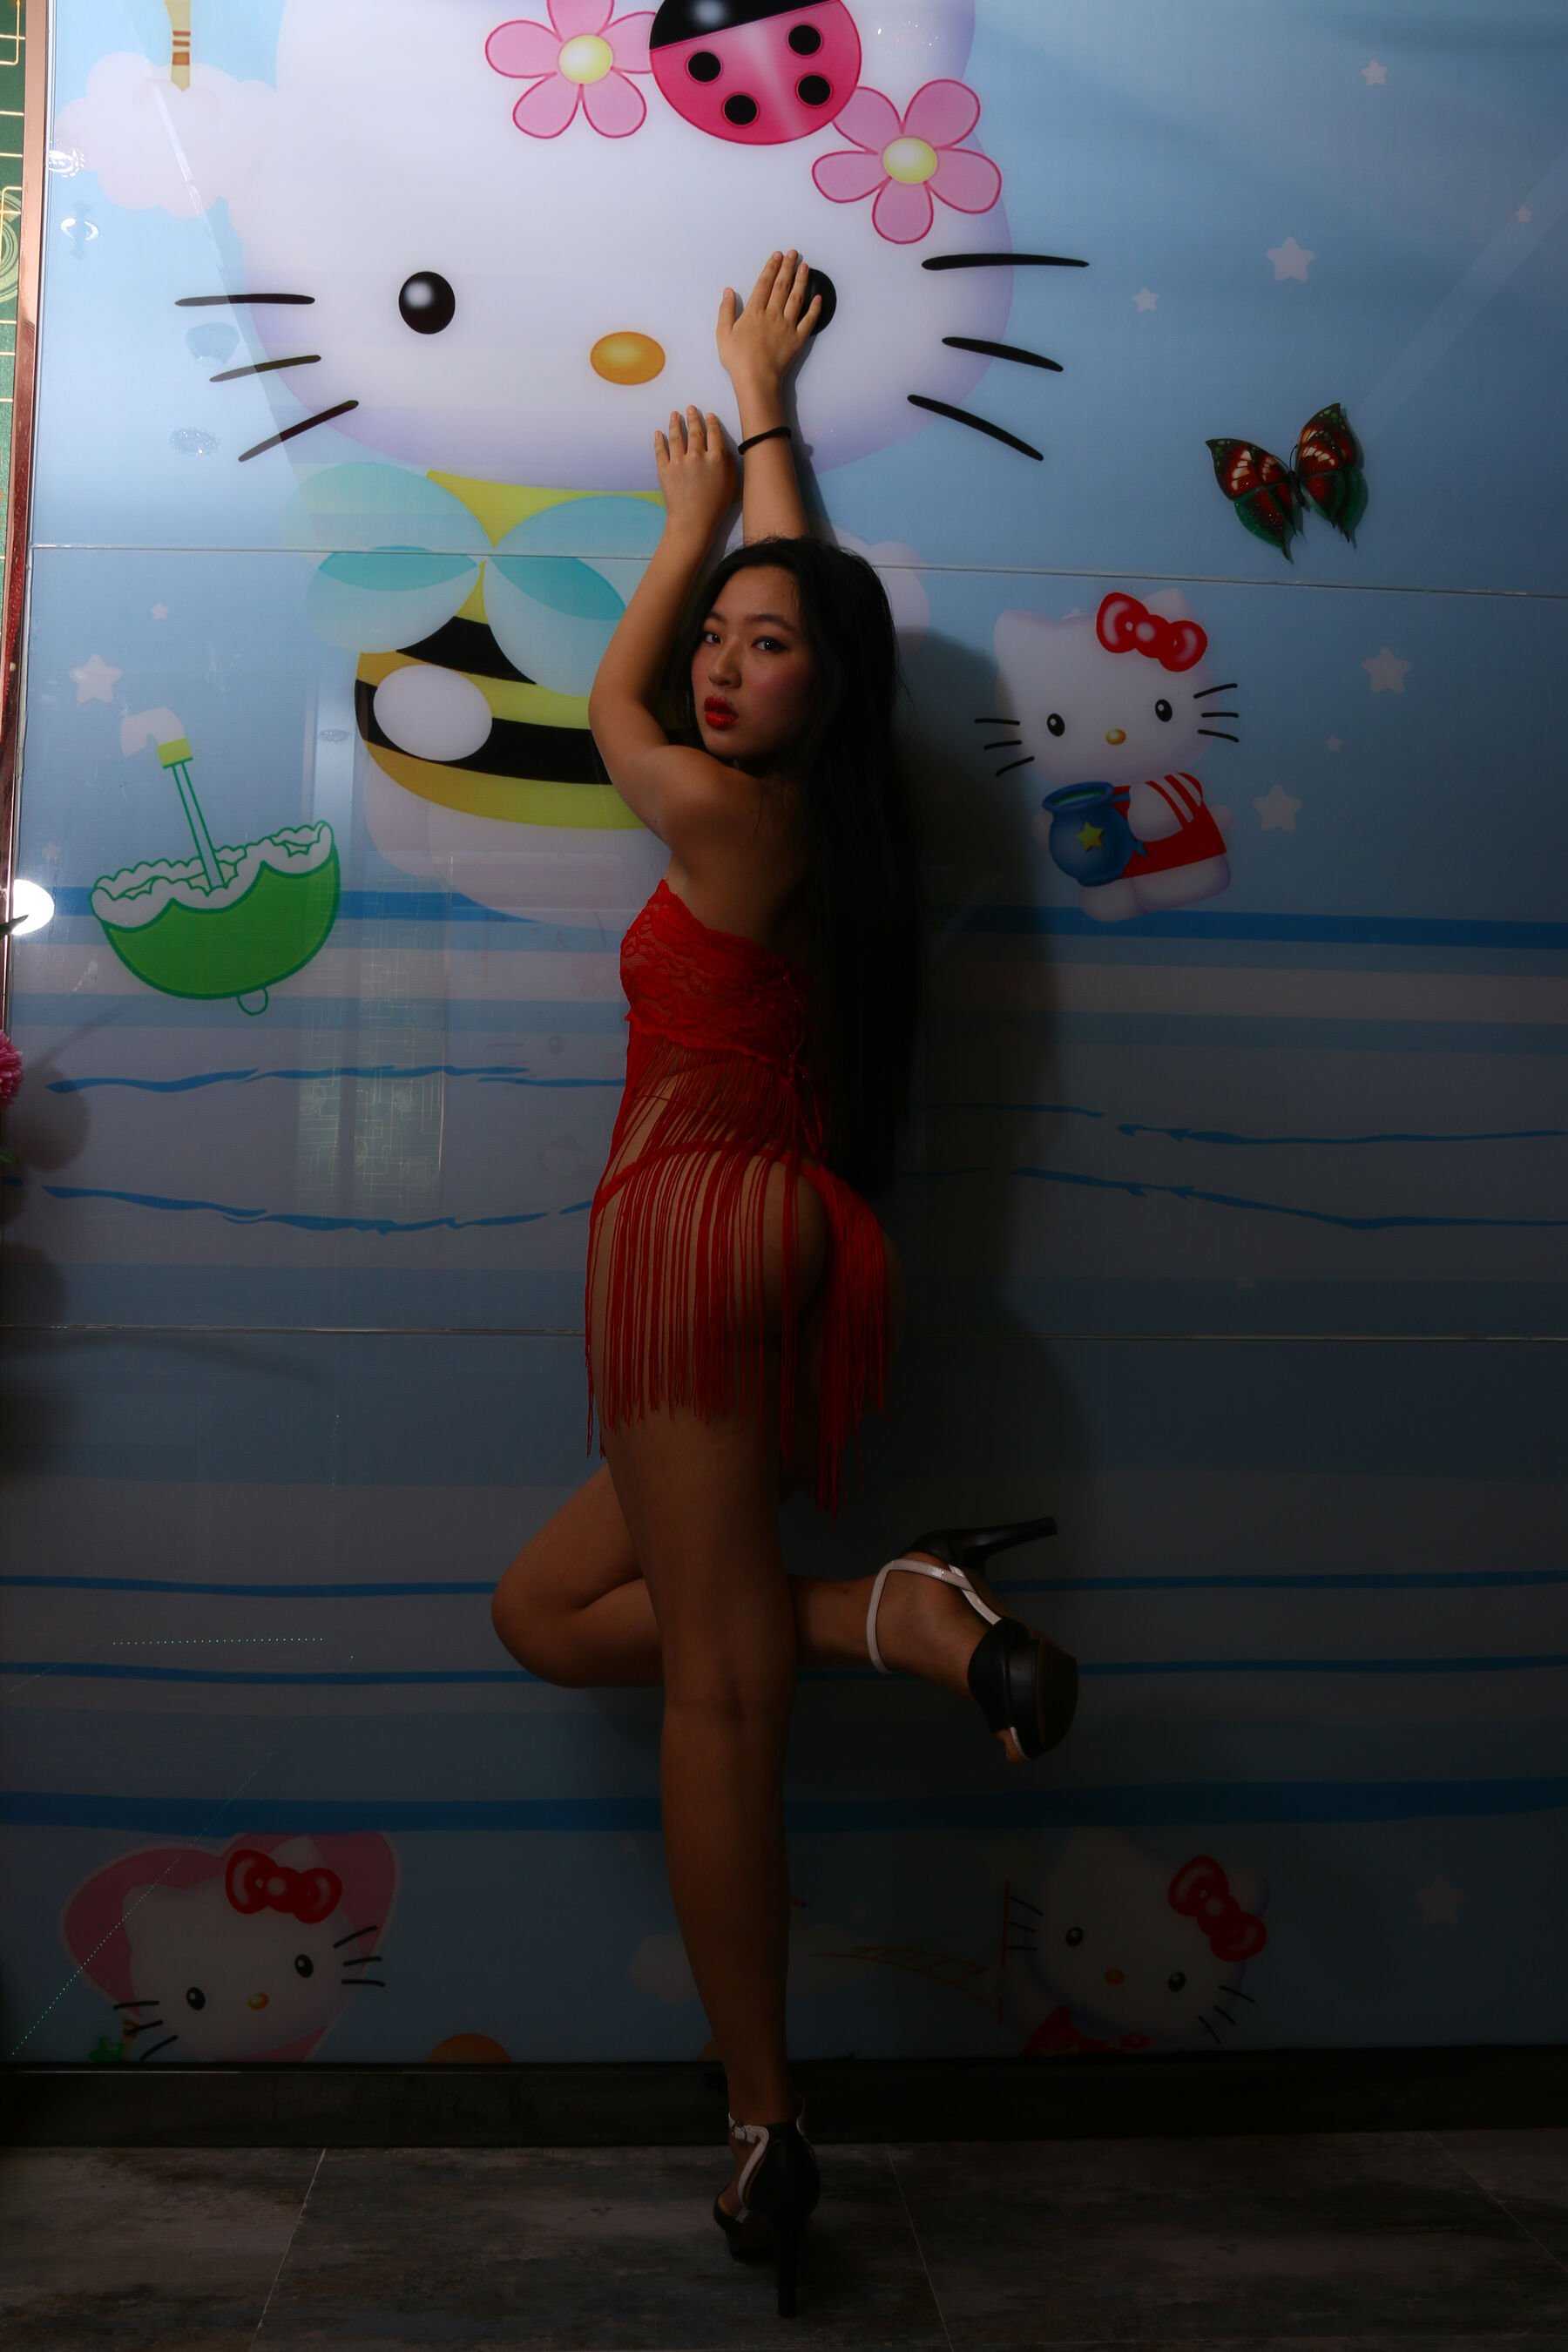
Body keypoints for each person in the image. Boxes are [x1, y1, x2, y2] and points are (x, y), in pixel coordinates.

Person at [490, 251, 1078, 2317]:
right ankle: (896, 1612)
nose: (729, 671)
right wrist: (761, 415)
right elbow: (808, 615)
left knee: (717, 1700)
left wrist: (674, 540)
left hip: (694, 1226)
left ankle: (761, 2114)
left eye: (765, 652)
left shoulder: (726, 814)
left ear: (822, 693)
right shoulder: (838, 823)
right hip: (785, 1222)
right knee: (550, 1614)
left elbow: (608, 710)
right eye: (724, 642)